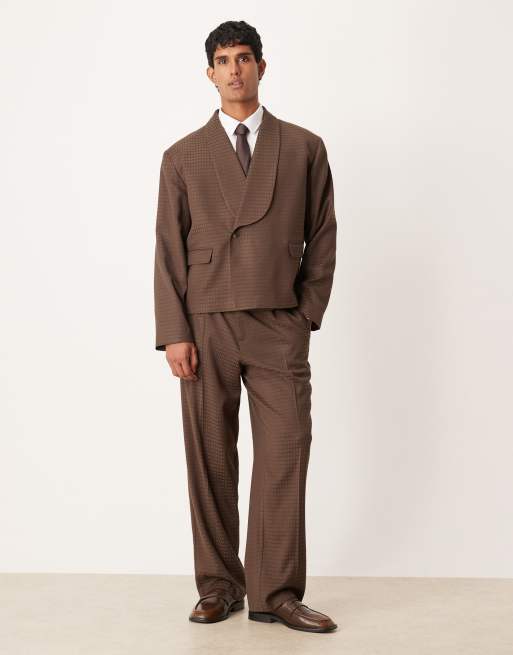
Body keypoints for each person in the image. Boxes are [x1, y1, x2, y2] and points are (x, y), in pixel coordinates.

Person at [153, 20, 338, 633]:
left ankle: (275, 592)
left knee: (285, 454)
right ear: (210, 73)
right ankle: (218, 585)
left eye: (244, 58)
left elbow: (323, 234)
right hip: (205, 321)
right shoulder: (182, 156)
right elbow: (168, 248)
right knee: (210, 457)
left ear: (262, 66)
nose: (234, 69)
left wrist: (304, 315)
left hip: (278, 320)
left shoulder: (304, 146)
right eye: (224, 60)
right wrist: (174, 331)